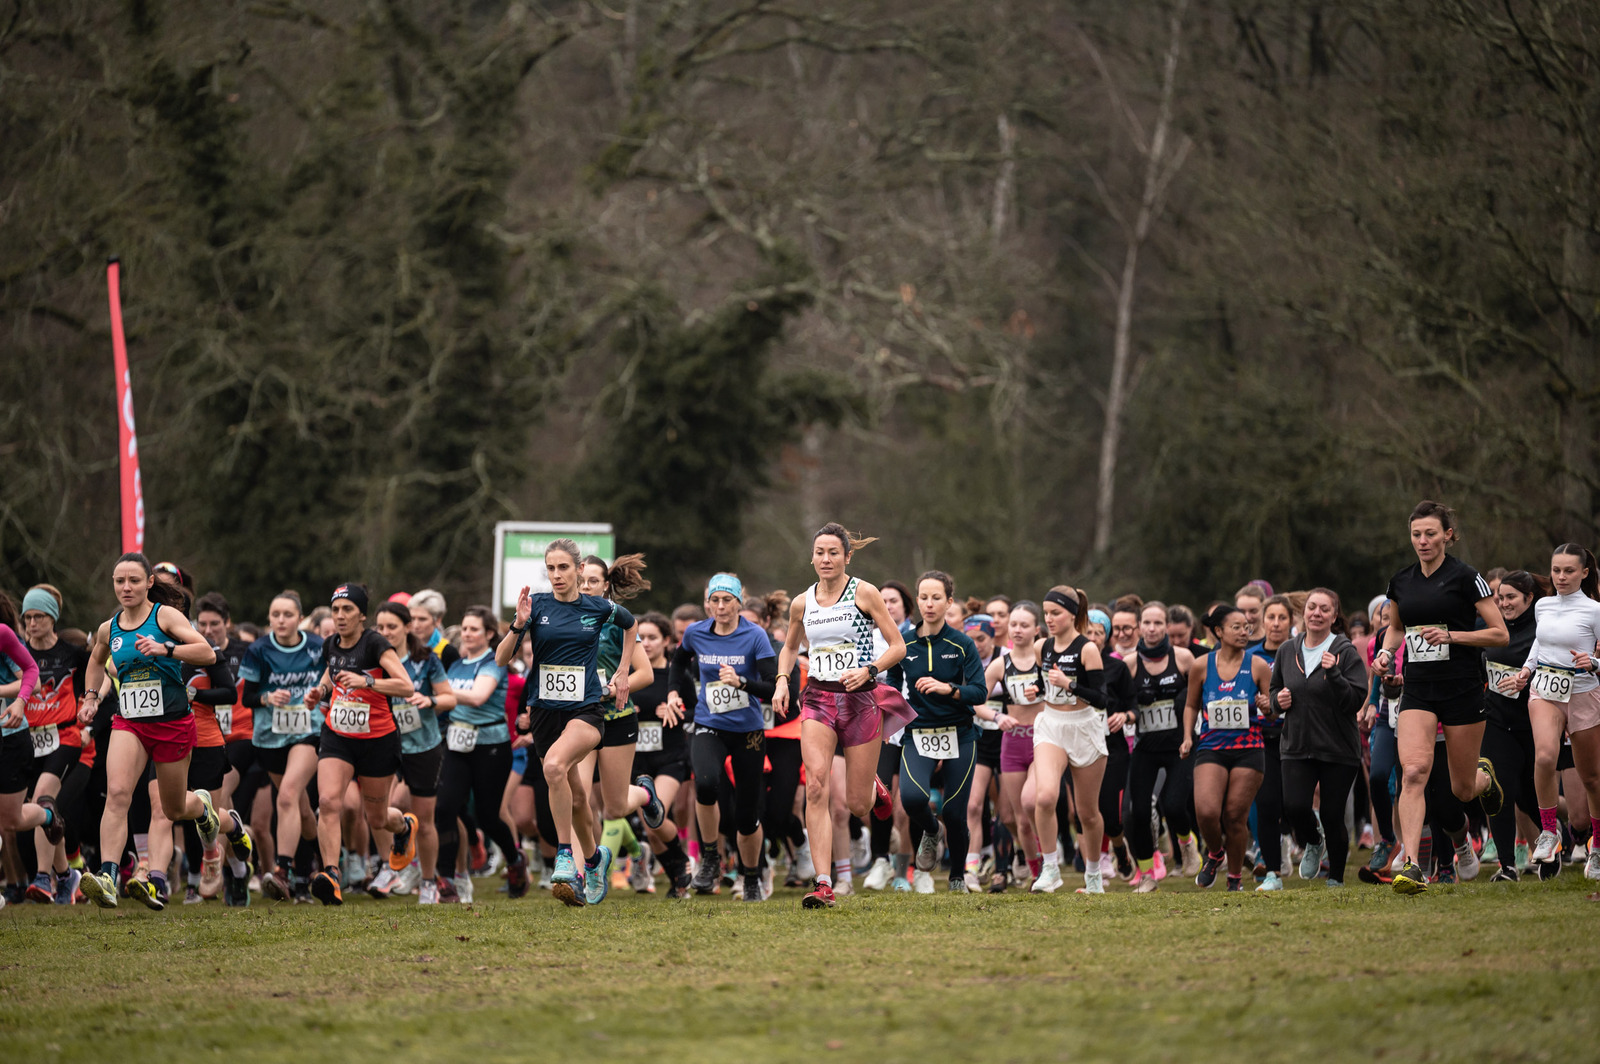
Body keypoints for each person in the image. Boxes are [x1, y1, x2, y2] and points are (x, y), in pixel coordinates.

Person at [496, 539, 657, 909]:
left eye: (563, 567)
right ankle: (596, 858)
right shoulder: (537, 606)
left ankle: (565, 855)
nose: (556, 575)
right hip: (544, 712)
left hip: (585, 711)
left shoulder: (598, 607)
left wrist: (623, 671)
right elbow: (502, 658)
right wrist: (518, 624)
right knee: (579, 796)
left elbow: (631, 625)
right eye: (551, 568)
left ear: (579, 569)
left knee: (553, 767)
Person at [76, 554, 227, 908]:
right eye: (119, 581)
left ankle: (202, 808)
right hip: (130, 722)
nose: (126, 587)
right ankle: (108, 877)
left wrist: (166, 648)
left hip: (172, 723)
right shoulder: (108, 628)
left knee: (173, 809)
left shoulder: (165, 617)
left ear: (148, 583)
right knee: (117, 794)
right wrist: (91, 697)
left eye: (133, 580)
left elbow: (207, 654)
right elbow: (96, 660)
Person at [772, 523, 909, 909]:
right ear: (812, 557)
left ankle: (874, 789)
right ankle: (823, 883)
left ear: (847, 556)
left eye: (833, 552)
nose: (826, 559)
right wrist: (782, 681)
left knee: (858, 805)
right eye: (820, 552)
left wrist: (870, 670)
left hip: (861, 700)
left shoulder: (864, 593)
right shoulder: (802, 602)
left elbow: (897, 646)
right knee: (816, 786)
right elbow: (789, 647)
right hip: (818, 699)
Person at [1373, 501, 1507, 895]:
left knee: (1462, 789)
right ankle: (1413, 865)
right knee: (1413, 772)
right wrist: (1386, 653)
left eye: (1430, 533)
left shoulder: (1466, 577)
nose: (1423, 541)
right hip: (1419, 690)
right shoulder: (1401, 581)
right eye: (1416, 534)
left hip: (1463, 688)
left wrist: (1452, 636)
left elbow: (1500, 634)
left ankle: (1485, 780)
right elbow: (1396, 628)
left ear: (1447, 535)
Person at [300, 584, 419, 905]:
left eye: (347, 610)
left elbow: (406, 686)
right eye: (335, 609)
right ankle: (331, 875)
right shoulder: (331, 644)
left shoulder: (375, 644)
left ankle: (404, 827)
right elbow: (332, 672)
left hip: (377, 740)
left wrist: (367, 681)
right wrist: (320, 692)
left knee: (377, 818)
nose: (340, 616)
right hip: (337, 735)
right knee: (328, 802)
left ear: (362, 615)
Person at [671, 573, 779, 901]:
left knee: (746, 815)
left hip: (747, 731)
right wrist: (674, 692)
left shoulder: (755, 635)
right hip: (709, 725)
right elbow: (678, 662)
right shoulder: (696, 632)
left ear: (738, 603)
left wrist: (741, 683)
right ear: (707, 604)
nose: (720, 606)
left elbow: (772, 686)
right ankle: (710, 859)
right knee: (705, 784)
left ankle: (751, 878)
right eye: (714, 600)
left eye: (727, 600)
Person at [898, 572, 1002, 893]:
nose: (929, 604)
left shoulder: (962, 644)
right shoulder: (904, 643)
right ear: (917, 601)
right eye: (924, 597)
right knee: (912, 799)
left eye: (937, 598)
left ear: (949, 602)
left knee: (955, 813)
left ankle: (957, 877)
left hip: (959, 734)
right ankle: (932, 831)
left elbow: (979, 692)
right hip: (918, 733)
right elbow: (891, 687)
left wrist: (949, 689)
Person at [1505, 545, 1600, 879]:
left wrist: (1594, 662)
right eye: (1556, 570)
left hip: (1583, 693)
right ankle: (1548, 832)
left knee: (1591, 777)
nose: (1560, 577)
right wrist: (1526, 671)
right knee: (1545, 756)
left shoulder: (1594, 611)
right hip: (1544, 689)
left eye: (1569, 571)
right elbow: (1539, 644)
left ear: (1584, 573)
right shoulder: (1543, 606)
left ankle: (1597, 848)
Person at [429, 605, 529, 903]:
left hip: (491, 749)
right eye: (464, 628)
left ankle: (515, 860)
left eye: (474, 629)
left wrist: (437, 695)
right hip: (456, 745)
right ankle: (447, 881)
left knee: (488, 817)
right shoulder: (456, 665)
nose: (467, 634)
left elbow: (477, 697)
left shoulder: (494, 661)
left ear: (489, 634)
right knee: (445, 808)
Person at [1270, 588, 1368, 887]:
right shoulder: (1287, 650)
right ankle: (1313, 841)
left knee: (1332, 814)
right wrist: (1277, 701)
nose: (1316, 613)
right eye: (1312, 607)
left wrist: (1335, 674)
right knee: (1295, 807)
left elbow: (1355, 700)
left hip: (1337, 747)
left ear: (1334, 616)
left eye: (1324, 609)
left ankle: (1335, 878)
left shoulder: (1345, 651)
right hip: (1296, 745)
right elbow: (1274, 691)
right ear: (1304, 612)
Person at [575, 555, 657, 904]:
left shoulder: (617, 622)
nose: (585, 587)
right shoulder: (563, 620)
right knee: (577, 796)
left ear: (605, 585)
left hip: (616, 718)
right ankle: (581, 874)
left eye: (593, 581)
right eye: (581, 581)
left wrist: (610, 689)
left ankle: (645, 795)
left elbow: (646, 674)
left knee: (615, 807)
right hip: (579, 719)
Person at [238, 591, 325, 902]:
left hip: (308, 732)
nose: (281, 620)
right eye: (275, 615)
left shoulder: (317, 646)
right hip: (270, 738)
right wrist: (267, 697)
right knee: (300, 808)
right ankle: (326, 862)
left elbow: (331, 684)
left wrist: (318, 695)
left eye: (288, 614)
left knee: (287, 794)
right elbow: (247, 698)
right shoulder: (258, 650)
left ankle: (282, 871)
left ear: (300, 618)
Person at [1181, 603, 1274, 892]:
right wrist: (1187, 737)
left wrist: (1267, 706)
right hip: (1212, 746)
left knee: (1234, 816)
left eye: (1247, 627)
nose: (1244, 632)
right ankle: (1214, 853)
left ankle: (1235, 878)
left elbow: (1272, 713)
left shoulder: (1258, 666)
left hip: (1249, 748)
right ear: (1219, 631)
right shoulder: (1201, 665)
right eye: (1236, 627)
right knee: (1207, 812)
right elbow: (1191, 705)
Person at [370, 600, 456, 902]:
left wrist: (429, 701)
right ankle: (389, 866)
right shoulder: (373, 661)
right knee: (378, 812)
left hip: (423, 747)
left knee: (425, 819)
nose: (385, 632)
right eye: (380, 627)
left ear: (407, 627)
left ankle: (429, 881)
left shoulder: (426, 660)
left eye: (392, 627)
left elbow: (449, 698)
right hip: (384, 745)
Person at [1030, 586, 1108, 894]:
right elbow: (1043, 682)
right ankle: (1050, 869)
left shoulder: (1087, 649)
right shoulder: (1042, 646)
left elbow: (1101, 699)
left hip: (1084, 728)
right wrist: (1037, 690)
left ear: (1073, 615)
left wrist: (1069, 684)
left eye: (1055, 613)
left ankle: (1094, 876)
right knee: (1045, 797)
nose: (1049, 619)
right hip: (1051, 725)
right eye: (1046, 613)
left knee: (1087, 813)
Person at [16, 586, 88, 903]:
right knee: (45, 812)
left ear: (53, 618)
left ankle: (44, 878)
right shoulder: (18, 655)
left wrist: (92, 714)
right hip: (27, 741)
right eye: (28, 618)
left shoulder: (72, 654)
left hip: (65, 737)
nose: (32, 623)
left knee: (43, 800)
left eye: (39, 617)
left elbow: (99, 678)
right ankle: (67, 876)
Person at [1478, 571, 1546, 882]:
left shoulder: (1542, 631)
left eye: (1510, 598)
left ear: (1529, 598)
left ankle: (1554, 839)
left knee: (1529, 796)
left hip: (1532, 723)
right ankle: (1506, 866)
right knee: (1497, 790)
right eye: (1500, 598)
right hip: (1496, 720)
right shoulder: (1491, 629)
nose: (1503, 603)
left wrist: (1526, 680)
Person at [1127, 603, 1199, 891]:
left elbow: (1198, 695)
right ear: (1139, 626)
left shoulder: (1183, 658)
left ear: (1166, 626)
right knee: (1139, 813)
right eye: (1147, 622)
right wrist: (1131, 707)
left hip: (1180, 744)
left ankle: (1187, 843)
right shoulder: (1130, 664)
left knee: (1174, 805)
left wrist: (1189, 726)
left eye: (1158, 623)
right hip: (1145, 747)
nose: (1152, 628)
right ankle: (1147, 874)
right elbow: (1120, 701)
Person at [629, 611, 694, 897]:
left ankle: (681, 865)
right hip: (636, 759)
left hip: (670, 757)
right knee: (650, 826)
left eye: (652, 637)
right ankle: (678, 875)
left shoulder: (676, 676)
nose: (645, 643)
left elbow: (698, 711)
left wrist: (677, 711)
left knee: (655, 816)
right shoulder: (628, 673)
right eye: (640, 638)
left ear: (667, 640)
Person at [0, 592, 49, 905]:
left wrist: (17, 700)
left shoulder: (3, 635)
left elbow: (33, 675)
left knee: (11, 822)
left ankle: (48, 815)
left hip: (10, 736)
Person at [1248, 594, 1295, 888]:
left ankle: (1304, 839)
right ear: (1263, 621)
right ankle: (1272, 873)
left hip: (1296, 738)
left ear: (1291, 622)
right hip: (1262, 738)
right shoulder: (1250, 657)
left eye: (1282, 618)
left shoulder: (1300, 652)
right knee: (1266, 804)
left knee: (1294, 804)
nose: (1276, 624)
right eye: (1271, 617)